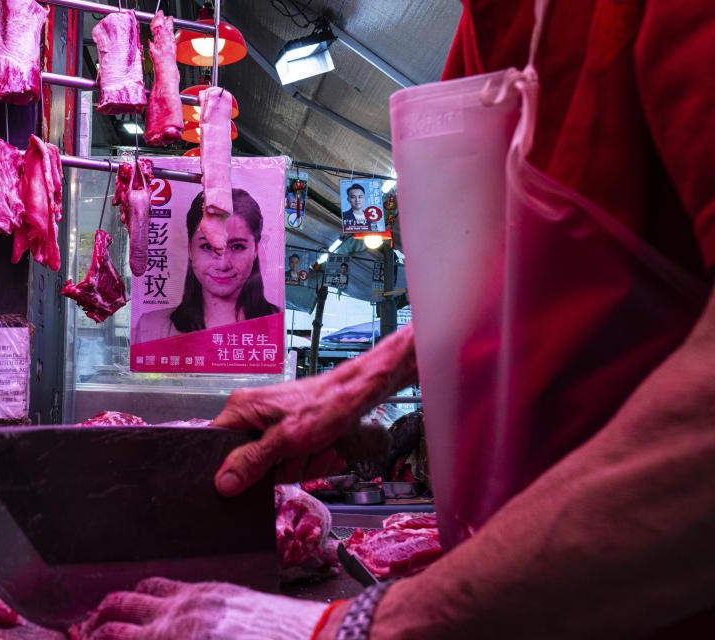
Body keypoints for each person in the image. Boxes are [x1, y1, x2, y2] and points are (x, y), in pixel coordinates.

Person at [76, 1, 715, 638]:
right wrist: (359, 380)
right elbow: (507, 282)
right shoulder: (491, 24)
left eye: (237, 246)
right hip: (516, 586)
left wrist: (367, 626)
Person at [135, 189, 281, 342]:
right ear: (190, 249)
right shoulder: (151, 328)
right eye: (207, 246)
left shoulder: (276, 325)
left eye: (237, 247)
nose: (223, 264)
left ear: (255, 250)